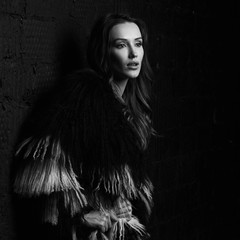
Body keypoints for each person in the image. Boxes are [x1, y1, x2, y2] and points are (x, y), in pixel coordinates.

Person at [13, 13, 155, 240]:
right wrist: (81, 216)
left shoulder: (132, 114)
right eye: (121, 45)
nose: (133, 53)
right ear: (104, 52)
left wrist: (124, 204)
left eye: (138, 44)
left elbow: (127, 187)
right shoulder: (85, 97)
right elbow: (42, 168)